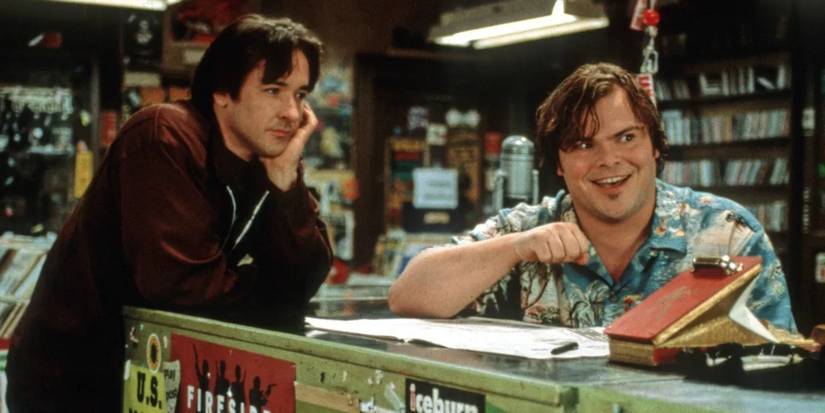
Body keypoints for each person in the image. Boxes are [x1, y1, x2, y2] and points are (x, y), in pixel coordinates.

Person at [7, 14, 332, 412]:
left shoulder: (268, 160)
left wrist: (285, 183)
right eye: (272, 90)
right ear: (222, 93)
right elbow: (186, 290)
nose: (292, 113)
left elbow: (307, 276)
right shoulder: (164, 134)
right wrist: (270, 292)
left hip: (149, 377)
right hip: (70, 381)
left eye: (300, 95)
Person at [389, 63, 796, 333]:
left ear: (655, 146)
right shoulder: (525, 230)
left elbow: (780, 363)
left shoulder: (727, 233)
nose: (608, 160)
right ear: (560, 165)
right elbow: (407, 296)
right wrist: (516, 247)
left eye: (626, 137)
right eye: (583, 144)